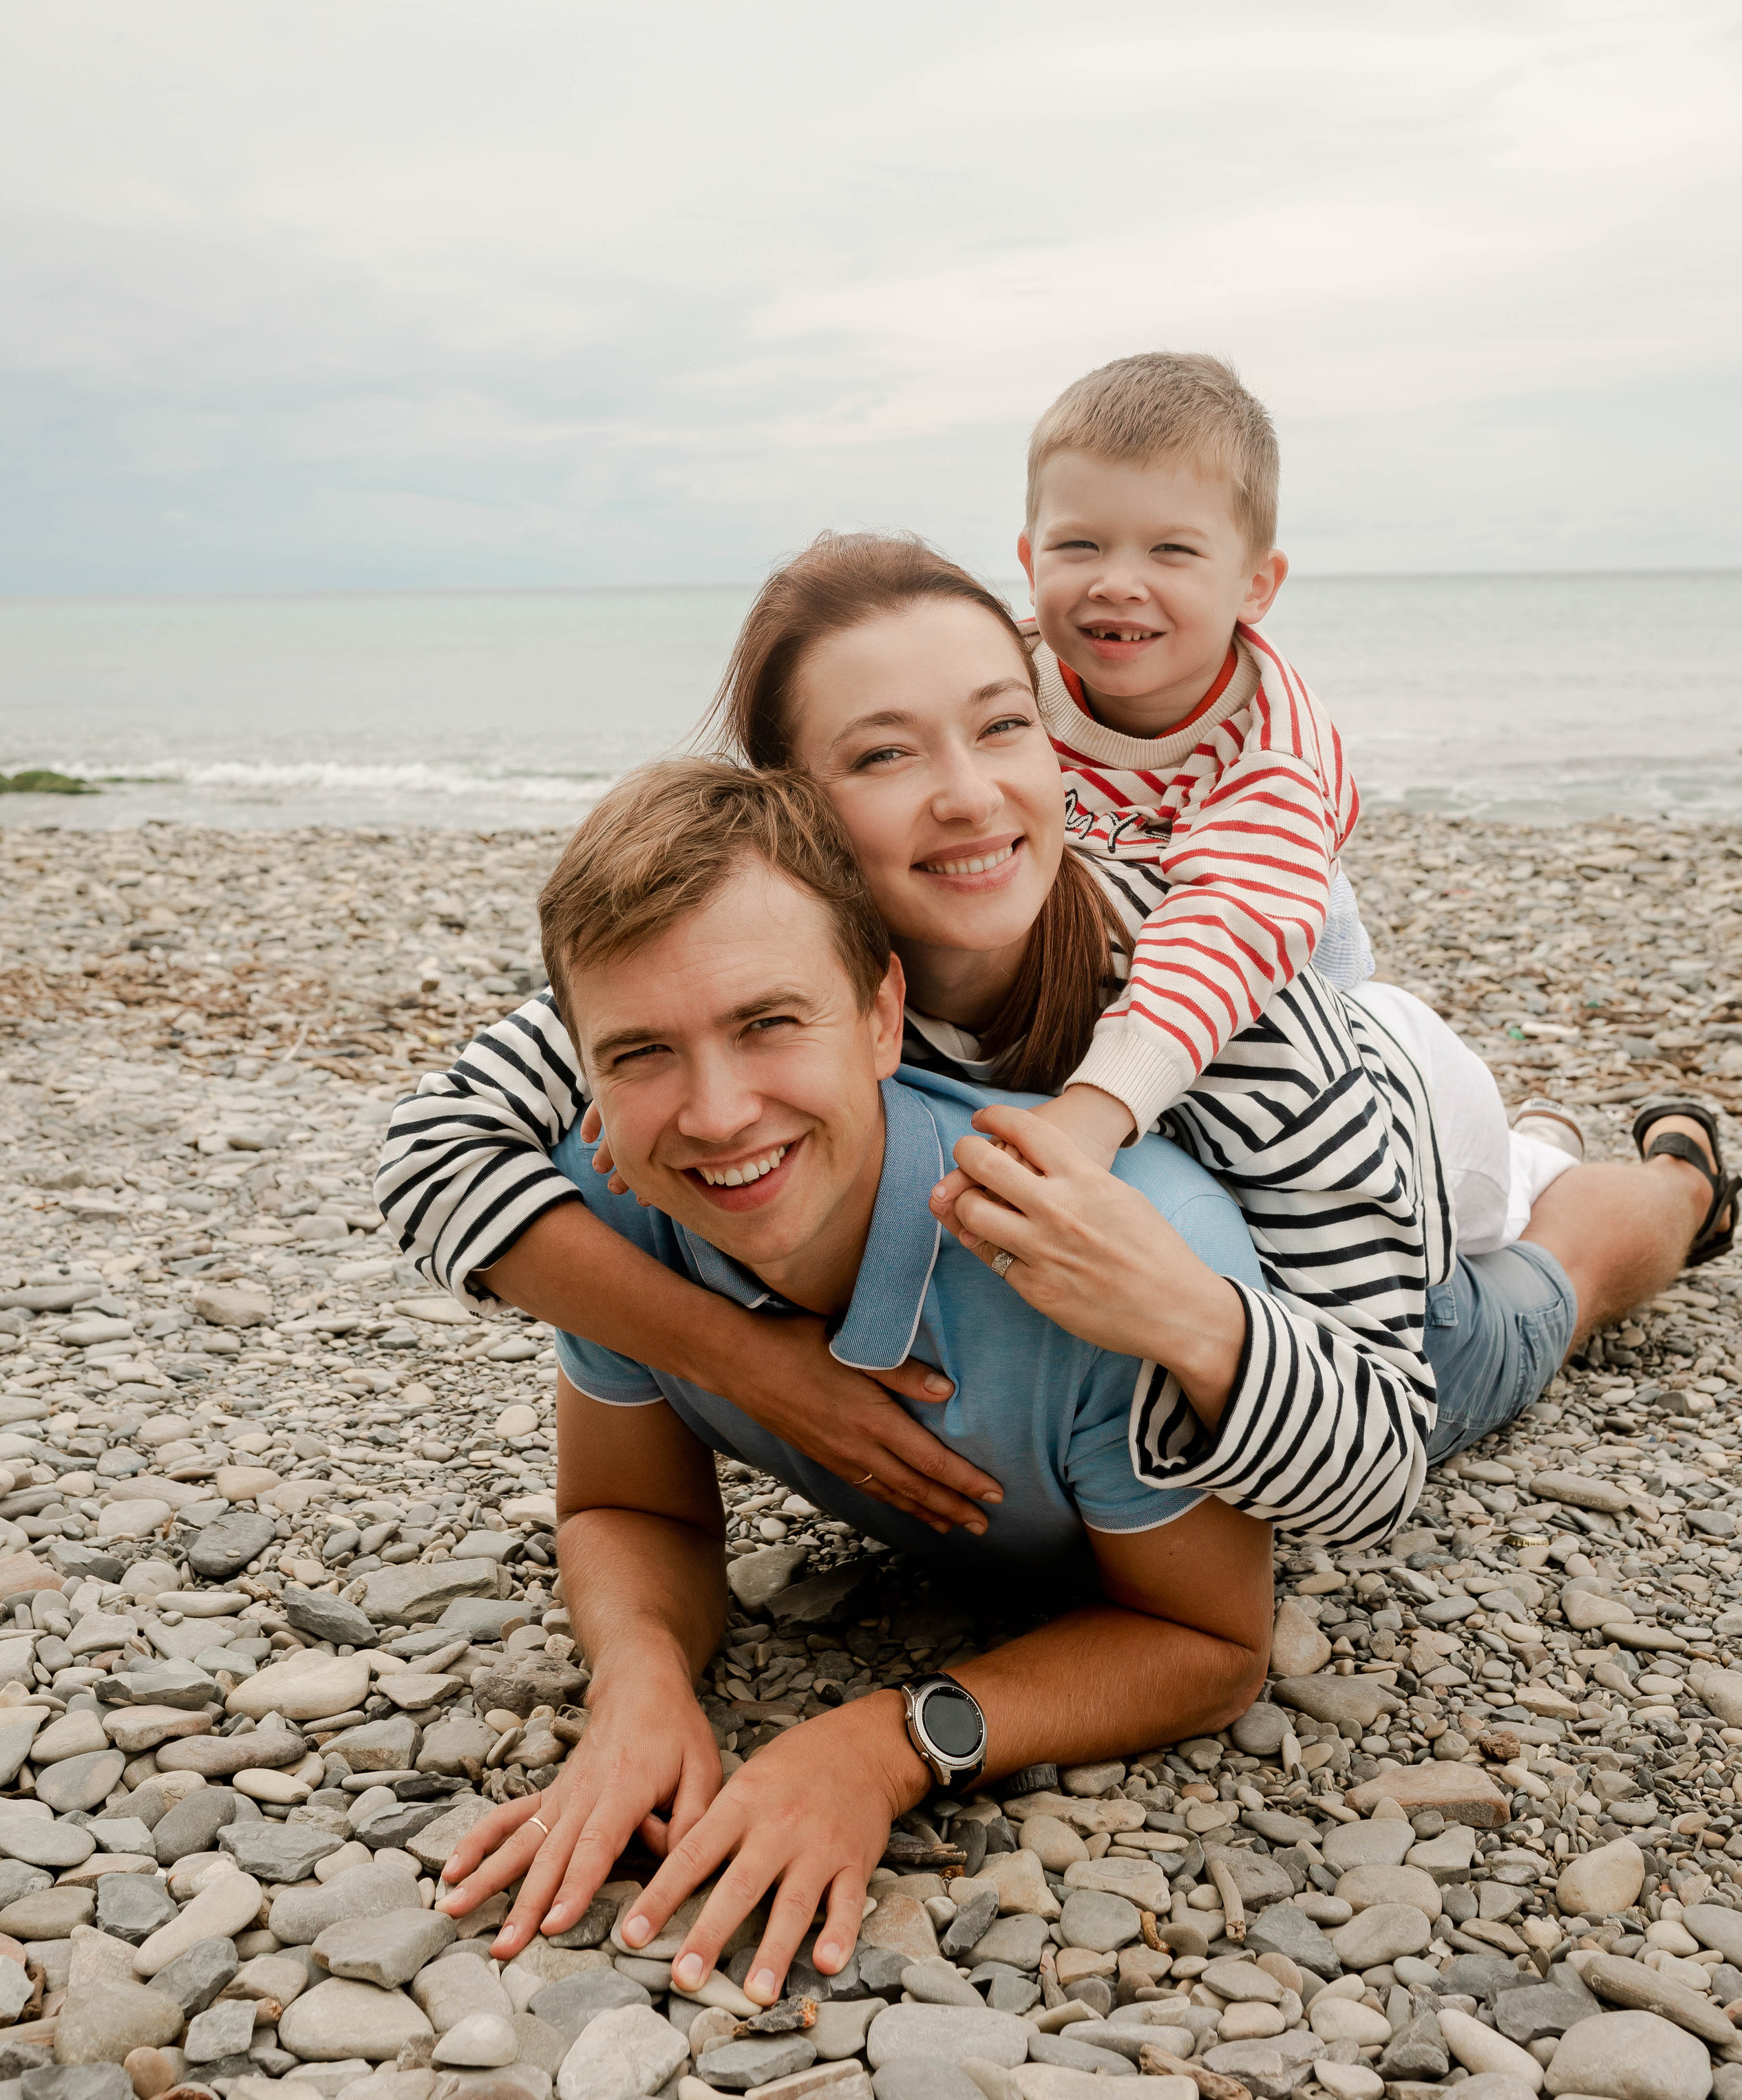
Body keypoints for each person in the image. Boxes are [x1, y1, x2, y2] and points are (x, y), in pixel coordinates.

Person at [378, 535, 1734, 1524]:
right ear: (790, 812)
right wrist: (753, 1368)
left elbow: (1373, 1461)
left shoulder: (1218, 1004)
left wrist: (1190, 1319)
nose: (969, 799)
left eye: (1000, 729)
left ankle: (1676, 1175)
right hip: (1306, 1150)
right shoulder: (750, 986)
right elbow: (431, 1153)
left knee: (1529, 1296)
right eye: (882, 754)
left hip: (1383, 1152)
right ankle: (1548, 1137)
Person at [432, 760, 1275, 1986]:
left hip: (1394, 1322)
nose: (715, 1116)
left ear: (884, 1017)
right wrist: (640, 1680)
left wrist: (886, 1749)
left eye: (769, 1024)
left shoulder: (1106, 1259)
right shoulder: (607, 1211)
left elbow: (1213, 1640)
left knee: (1541, 1296)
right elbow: (629, 1506)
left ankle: (1653, 1178)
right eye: (642, 1053)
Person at [1013, 351, 1378, 1164]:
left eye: (1171, 551)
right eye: (1079, 545)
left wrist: (1098, 1107)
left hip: (1283, 960)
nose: (1117, 582)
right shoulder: (1003, 677)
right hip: (1103, 931)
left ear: (1255, 584)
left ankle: (1539, 1154)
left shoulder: (1270, 749)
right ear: (1029, 560)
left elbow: (1226, 925)